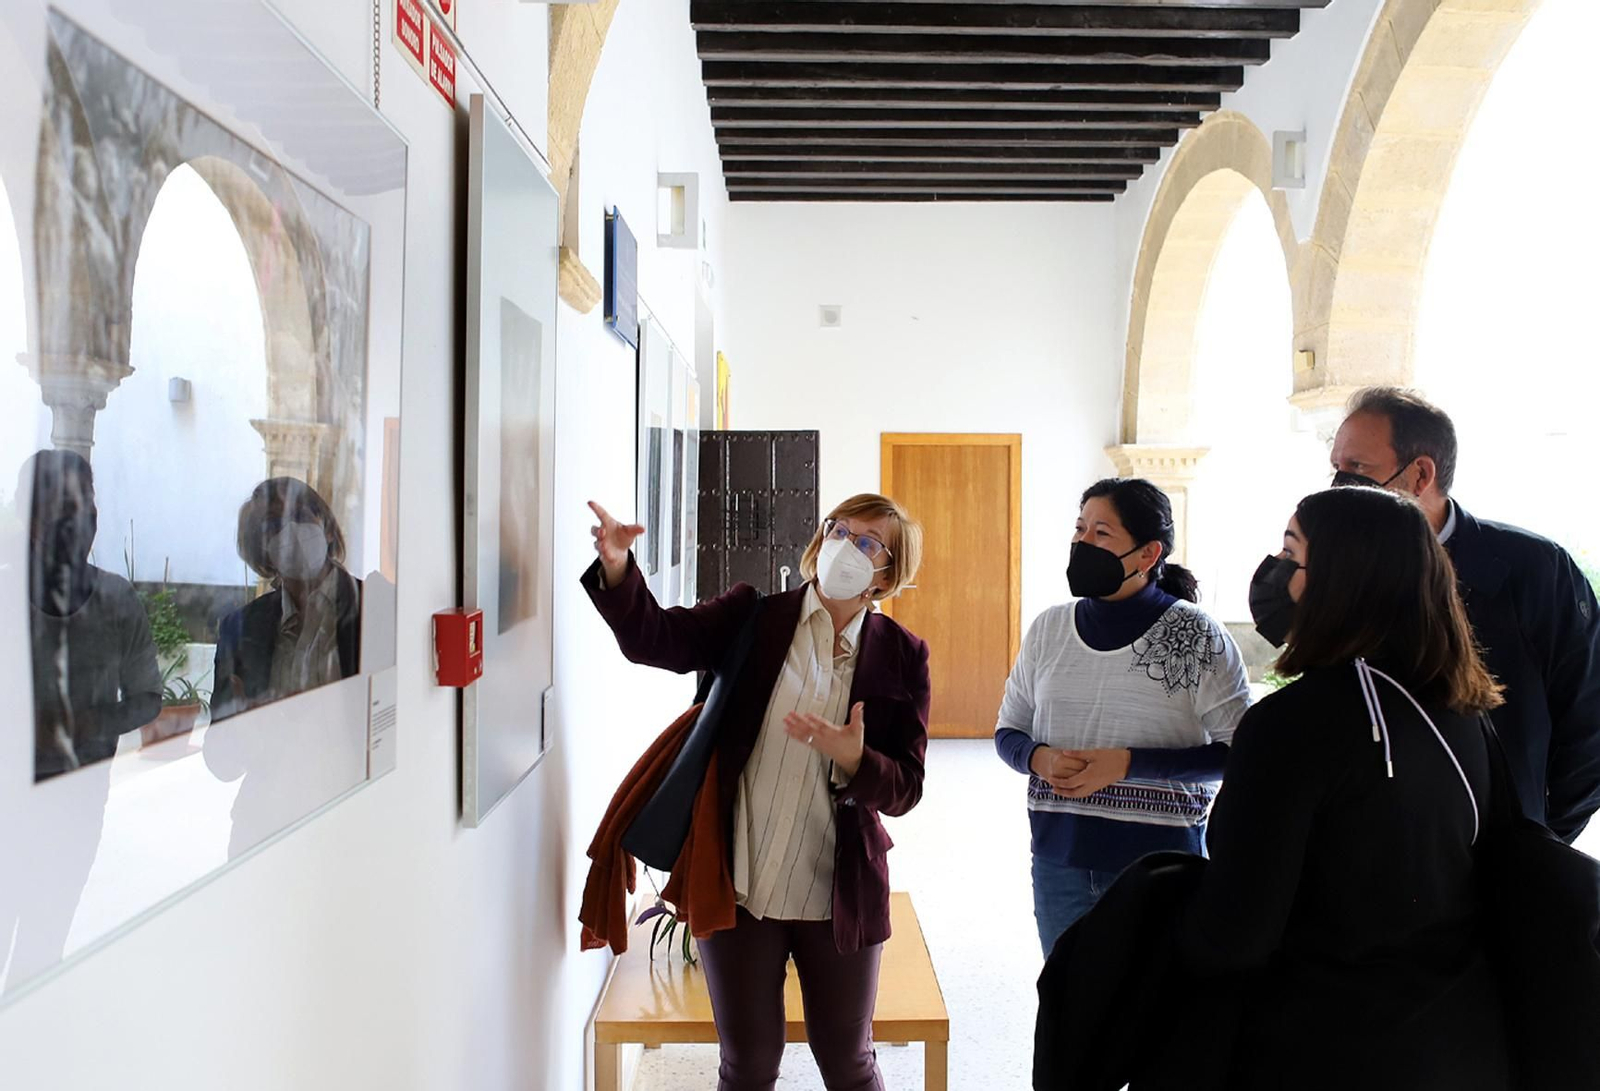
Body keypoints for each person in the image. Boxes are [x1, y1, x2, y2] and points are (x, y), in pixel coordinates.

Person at [583, 493, 928, 1091]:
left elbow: (906, 788)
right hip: (739, 886)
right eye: (839, 530)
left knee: (849, 1062)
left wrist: (856, 759)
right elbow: (656, 639)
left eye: (868, 541)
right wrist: (618, 568)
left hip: (837, 893)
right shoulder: (753, 616)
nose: (846, 545)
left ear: (888, 574)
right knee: (746, 1064)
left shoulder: (903, 655)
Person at [1184, 486, 1509, 1089]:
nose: (1276, 575)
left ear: (1343, 577)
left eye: (1290, 554)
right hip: (1455, 1035)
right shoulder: (1463, 709)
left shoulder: (1293, 724)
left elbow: (1238, 932)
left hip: (1322, 1044)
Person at [1331, 387, 1600, 842]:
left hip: (1495, 853)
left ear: (1420, 475)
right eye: (1336, 468)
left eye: (1357, 469)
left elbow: (1588, 721)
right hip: (1377, 851)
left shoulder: (1533, 568)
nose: (1340, 485)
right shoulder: (1335, 566)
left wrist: (1543, 842)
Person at [994, 478, 1249, 956]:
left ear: (1148, 554)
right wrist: (1038, 759)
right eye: (1079, 529)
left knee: (1153, 1016)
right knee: (1069, 1009)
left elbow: (1240, 754)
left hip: (1161, 867)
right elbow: (1009, 731)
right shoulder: (1050, 628)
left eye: (1101, 534)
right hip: (1059, 860)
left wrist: (1129, 764)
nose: (1081, 543)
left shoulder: (1196, 635)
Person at [26, 449, 162, 780]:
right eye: (64, 507)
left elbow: (147, 698)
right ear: (33, 519)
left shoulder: (117, 599)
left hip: (86, 792)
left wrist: (88, 724)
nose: (83, 517)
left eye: (88, 503)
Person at [210, 477, 361, 722]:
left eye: (299, 516)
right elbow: (216, 748)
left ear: (329, 530)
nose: (290, 530)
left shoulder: (376, 608)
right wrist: (243, 730)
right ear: (263, 549)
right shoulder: (239, 630)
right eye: (273, 525)